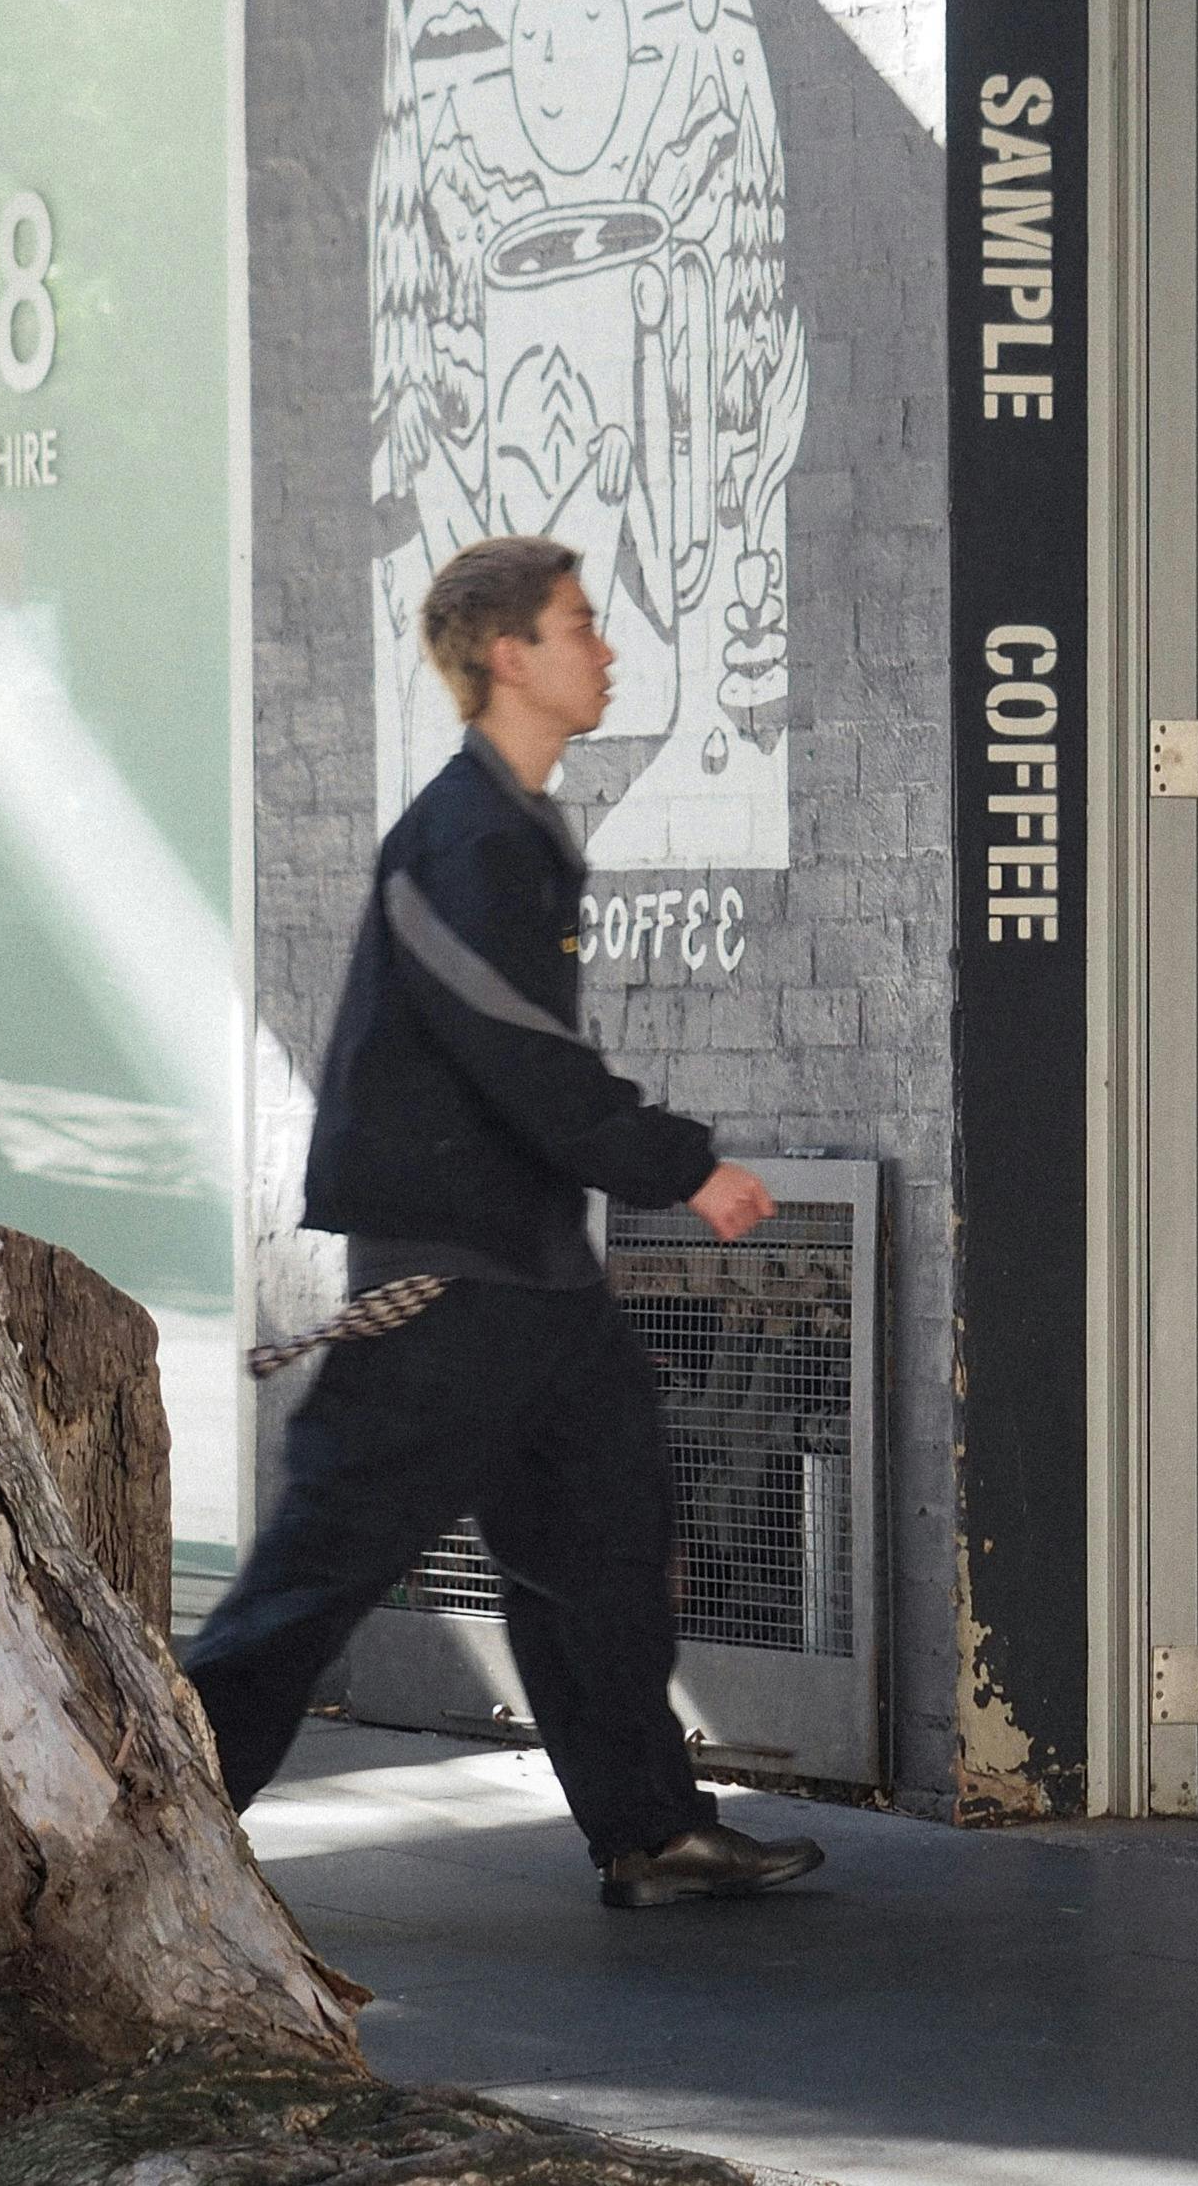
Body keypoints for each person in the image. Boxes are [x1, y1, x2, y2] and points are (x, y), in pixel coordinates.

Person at [182, 535, 822, 1910]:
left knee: (604, 1547)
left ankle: (650, 1831)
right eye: (582, 625)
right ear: (507, 656)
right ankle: (142, 1830)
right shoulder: (460, 838)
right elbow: (516, 1048)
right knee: (316, 1577)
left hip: (535, 1283)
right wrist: (682, 1166)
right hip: (452, 1289)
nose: (608, 649)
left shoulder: (516, 825)